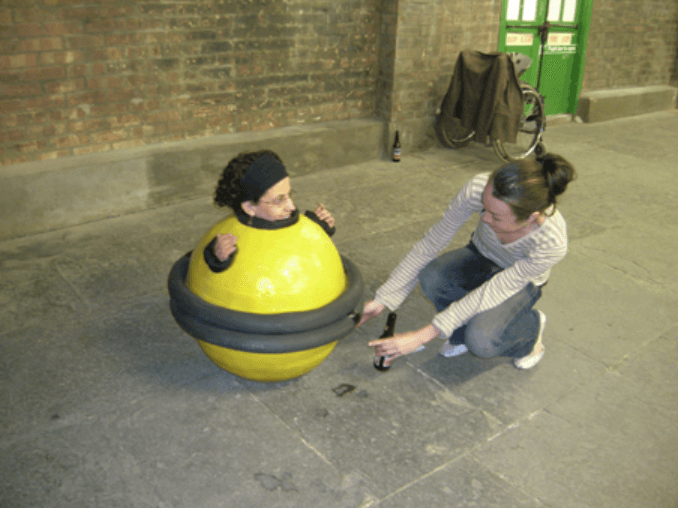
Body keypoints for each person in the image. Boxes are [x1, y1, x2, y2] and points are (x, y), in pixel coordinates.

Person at [358, 154, 577, 370]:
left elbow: (496, 289)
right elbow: (432, 242)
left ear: (530, 217)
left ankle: (531, 333)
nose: (484, 218)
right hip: (481, 254)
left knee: (482, 341)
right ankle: (460, 333)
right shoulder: (480, 188)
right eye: (485, 207)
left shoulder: (551, 242)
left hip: (521, 281)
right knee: (432, 277)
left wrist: (421, 336)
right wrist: (384, 299)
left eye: (496, 217)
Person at [203, 150, 336, 272]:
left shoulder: (294, 218)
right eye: (279, 200)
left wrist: (318, 226)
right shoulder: (233, 236)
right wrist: (218, 257)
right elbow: (211, 266)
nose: (292, 207)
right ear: (250, 207)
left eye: (290, 194)